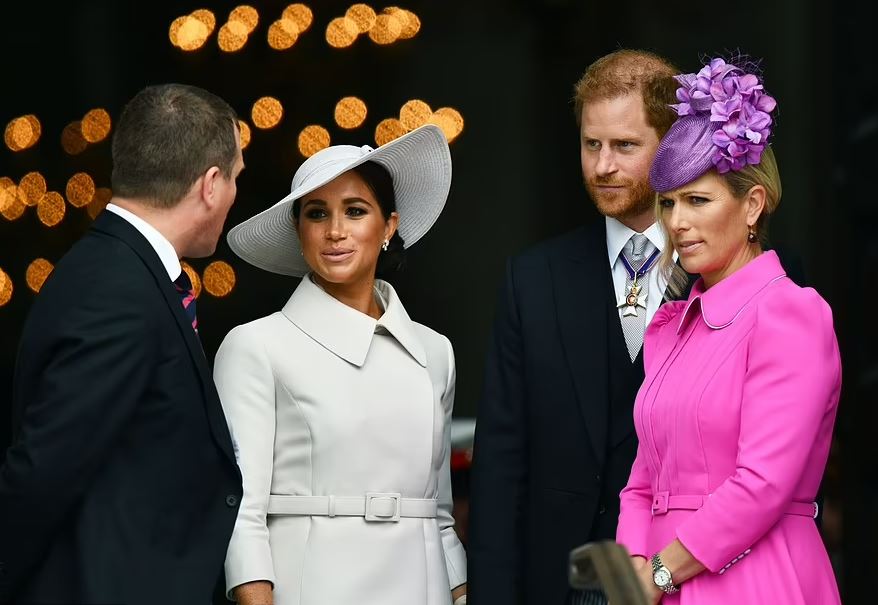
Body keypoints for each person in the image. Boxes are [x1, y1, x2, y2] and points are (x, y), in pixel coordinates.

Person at [0, 83, 245, 604]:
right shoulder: (119, 291)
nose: (233, 195)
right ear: (210, 185)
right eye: (235, 179)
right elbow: (44, 471)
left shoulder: (121, 269)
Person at [616, 57, 842, 604]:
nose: (677, 222)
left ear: (753, 206)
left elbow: (763, 484)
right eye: (668, 203)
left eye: (698, 200)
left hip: (756, 577)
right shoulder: (672, 328)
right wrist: (633, 569)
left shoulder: (790, 313)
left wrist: (661, 572)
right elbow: (641, 483)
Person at [214, 123, 467, 605]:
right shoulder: (255, 347)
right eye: (317, 213)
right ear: (299, 230)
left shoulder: (435, 352)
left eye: (355, 211)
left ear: (389, 226)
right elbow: (242, 514)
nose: (335, 231)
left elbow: (439, 513)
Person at [467, 49, 685, 605]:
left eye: (625, 146)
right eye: (592, 144)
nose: (602, 166)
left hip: (692, 574)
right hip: (564, 580)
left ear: (671, 144)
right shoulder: (533, 278)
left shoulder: (724, 269)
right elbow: (501, 460)